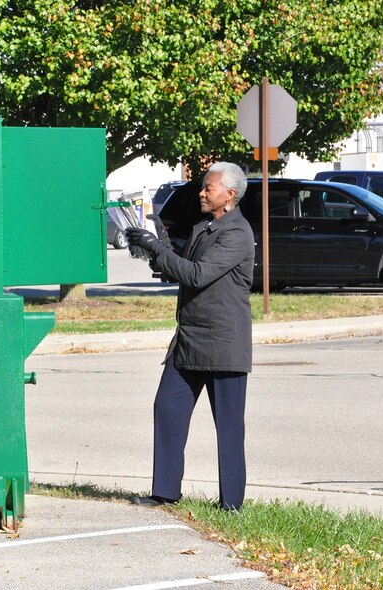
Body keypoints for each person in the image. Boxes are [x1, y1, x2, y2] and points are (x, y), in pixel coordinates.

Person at [124, 161, 255, 511]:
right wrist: (154, 237)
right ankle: (165, 491)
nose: (201, 192)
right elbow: (178, 268)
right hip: (189, 341)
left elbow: (197, 275)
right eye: (202, 186)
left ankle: (232, 504)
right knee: (167, 408)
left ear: (229, 195)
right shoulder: (205, 227)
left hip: (224, 344)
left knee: (228, 427)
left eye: (207, 188)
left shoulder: (237, 233)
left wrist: (157, 248)